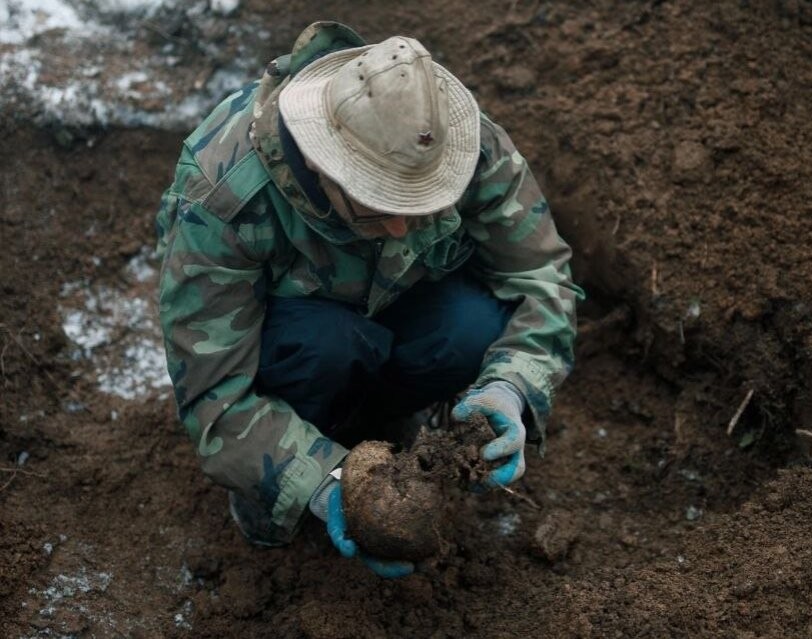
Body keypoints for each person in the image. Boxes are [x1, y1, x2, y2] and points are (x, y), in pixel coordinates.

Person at [155, 21, 583, 579]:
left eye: (423, 202)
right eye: (381, 203)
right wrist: (327, 486)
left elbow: (541, 276)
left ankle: (384, 422)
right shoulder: (223, 198)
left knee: (471, 326)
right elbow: (215, 396)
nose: (405, 229)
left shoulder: (450, 141)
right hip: (296, 352)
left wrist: (512, 385)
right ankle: (274, 487)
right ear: (319, 163)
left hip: (398, 315)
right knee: (325, 346)